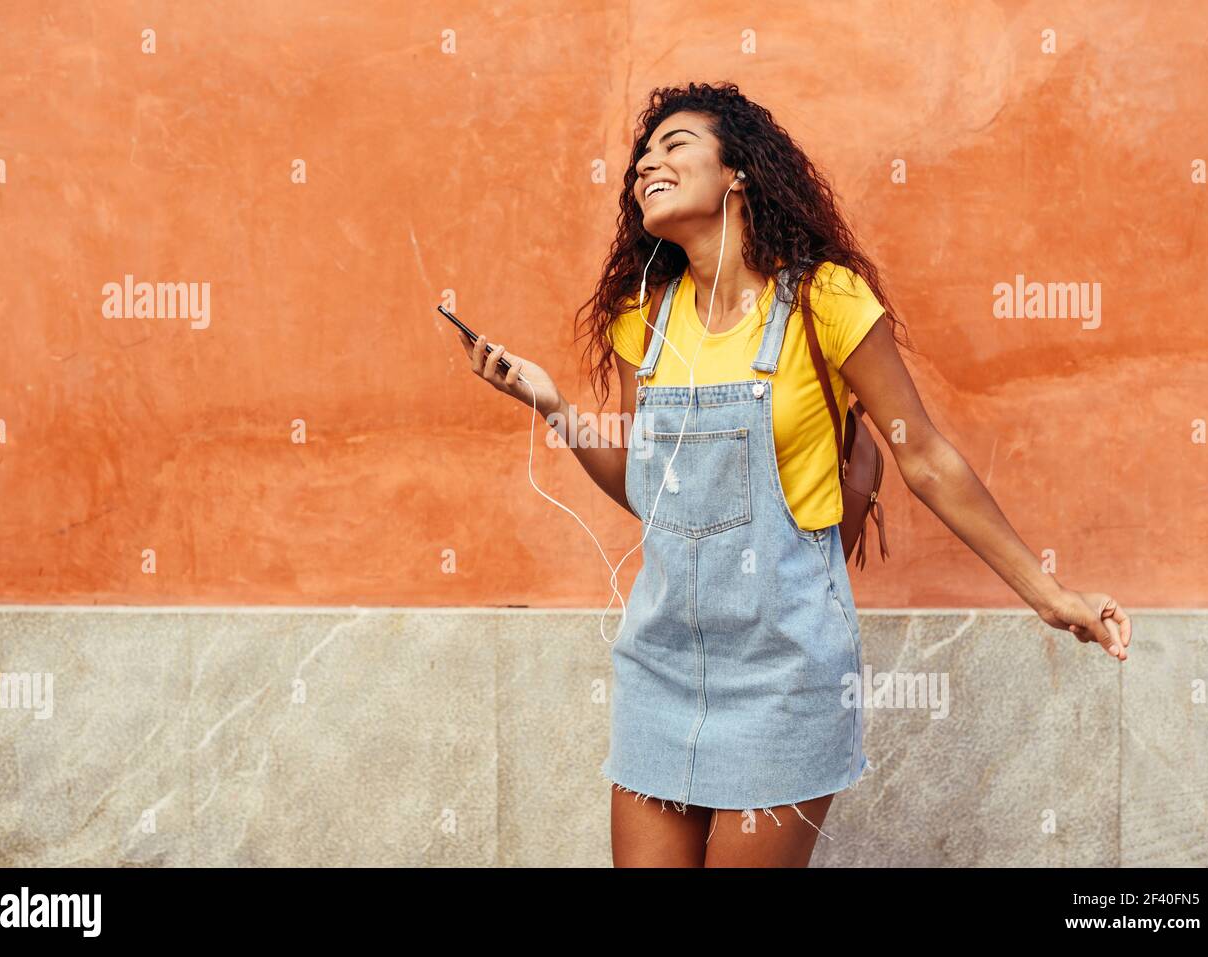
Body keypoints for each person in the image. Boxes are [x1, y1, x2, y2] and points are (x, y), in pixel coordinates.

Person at [454, 82, 1131, 867]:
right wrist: (552, 405)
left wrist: (1053, 597)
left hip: (784, 674)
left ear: (737, 172)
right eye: (641, 157)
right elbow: (655, 493)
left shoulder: (825, 298)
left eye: (674, 145)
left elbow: (926, 457)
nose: (647, 164)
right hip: (660, 664)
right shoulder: (647, 320)